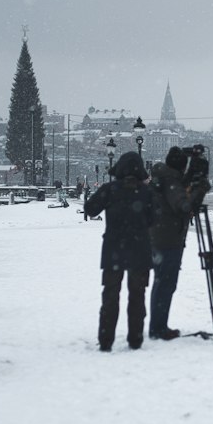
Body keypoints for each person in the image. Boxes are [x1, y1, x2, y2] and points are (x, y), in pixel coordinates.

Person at [84, 150, 155, 351]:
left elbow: (90, 210)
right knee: (137, 295)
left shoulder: (110, 189)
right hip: (139, 249)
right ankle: (135, 338)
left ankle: (106, 339)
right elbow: (153, 219)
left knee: (110, 295)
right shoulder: (146, 192)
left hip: (114, 249)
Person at [147, 146, 209, 340]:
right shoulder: (171, 181)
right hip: (168, 239)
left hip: (160, 237)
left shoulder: (164, 177)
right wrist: (200, 189)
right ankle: (158, 328)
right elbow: (184, 207)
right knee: (166, 283)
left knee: (161, 283)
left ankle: (157, 326)